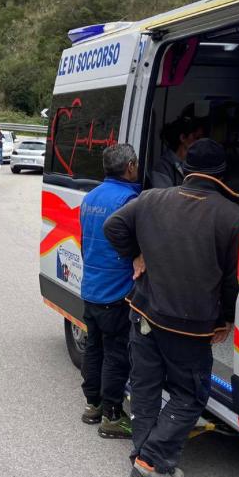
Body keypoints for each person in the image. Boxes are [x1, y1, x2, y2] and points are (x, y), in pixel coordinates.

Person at [104, 138, 239, 477]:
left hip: (145, 312)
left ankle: (141, 451)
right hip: (189, 326)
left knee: (146, 386)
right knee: (190, 394)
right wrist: (226, 318)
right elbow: (229, 278)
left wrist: (135, 254)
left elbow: (113, 227)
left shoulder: (151, 198)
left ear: (185, 168)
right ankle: (152, 461)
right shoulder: (230, 216)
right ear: (221, 174)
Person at [78, 143, 142, 439]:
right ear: (129, 166)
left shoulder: (89, 198)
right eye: (136, 164)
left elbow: (86, 241)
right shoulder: (130, 199)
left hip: (91, 287)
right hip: (116, 291)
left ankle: (93, 405)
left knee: (94, 349)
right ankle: (112, 417)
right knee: (117, 355)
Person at [150, 115, 204, 189]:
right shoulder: (163, 167)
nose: (201, 143)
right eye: (197, 138)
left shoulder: (194, 165)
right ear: (183, 138)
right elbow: (162, 198)